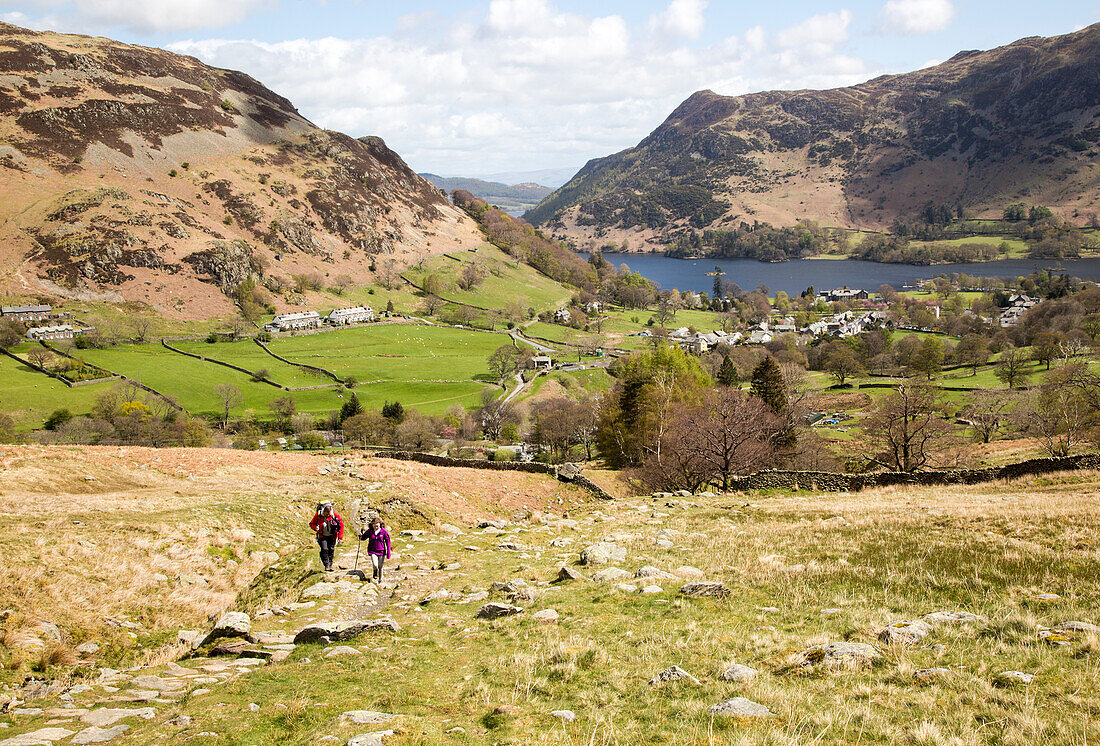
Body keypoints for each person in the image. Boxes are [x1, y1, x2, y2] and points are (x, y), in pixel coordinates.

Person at [309, 502, 343, 572]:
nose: (328, 515)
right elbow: (312, 523)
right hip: (322, 536)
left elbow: (341, 525)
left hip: (332, 536)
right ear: (323, 511)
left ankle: (330, 565)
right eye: (326, 514)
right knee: (324, 549)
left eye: (329, 514)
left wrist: (340, 537)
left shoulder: (334, 515)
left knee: (331, 549)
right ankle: (326, 565)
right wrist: (315, 528)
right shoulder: (318, 515)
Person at [359, 517, 391, 583]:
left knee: (380, 566)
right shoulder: (370, 531)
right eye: (374, 525)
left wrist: (388, 553)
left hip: (381, 551)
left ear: (380, 525)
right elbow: (364, 537)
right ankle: (375, 572)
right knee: (375, 564)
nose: (375, 527)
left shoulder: (383, 532)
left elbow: (388, 541)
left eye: (377, 526)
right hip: (372, 551)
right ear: (372, 525)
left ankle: (380, 579)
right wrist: (360, 536)